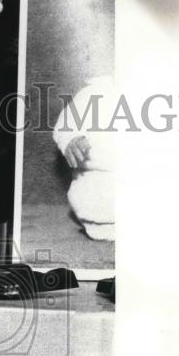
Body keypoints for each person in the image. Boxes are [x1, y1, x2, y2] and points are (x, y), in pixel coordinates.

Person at [52, 74, 115, 242]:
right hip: (96, 176)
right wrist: (71, 139)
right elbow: (67, 122)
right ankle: (104, 224)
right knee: (90, 196)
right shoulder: (92, 94)